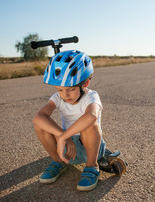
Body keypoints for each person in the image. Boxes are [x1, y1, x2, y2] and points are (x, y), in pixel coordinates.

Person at [33, 50, 105, 192]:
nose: (65, 95)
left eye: (71, 89)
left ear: (85, 83)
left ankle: (92, 166)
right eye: (59, 89)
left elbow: (91, 116)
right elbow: (38, 118)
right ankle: (58, 162)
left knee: (88, 124)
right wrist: (62, 135)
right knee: (41, 125)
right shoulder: (58, 98)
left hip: (90, 146)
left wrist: (63, 137)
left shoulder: (91, 96)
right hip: (66, 148)